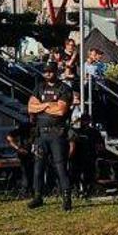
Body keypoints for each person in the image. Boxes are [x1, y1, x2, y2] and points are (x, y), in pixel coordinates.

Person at [26, 66, 73, 210]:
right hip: (41, 133)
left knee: (60, 166)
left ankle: (66, 198)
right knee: (38, 167)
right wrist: (47, 104)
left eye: (50, 71)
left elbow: (60, 110)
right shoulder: (39, 87)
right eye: (45, 71)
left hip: (57, 134)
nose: (47, 74)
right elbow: (30, 107)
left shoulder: (64, 88)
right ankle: (38, 196)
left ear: (56, 72)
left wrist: (40, 106)